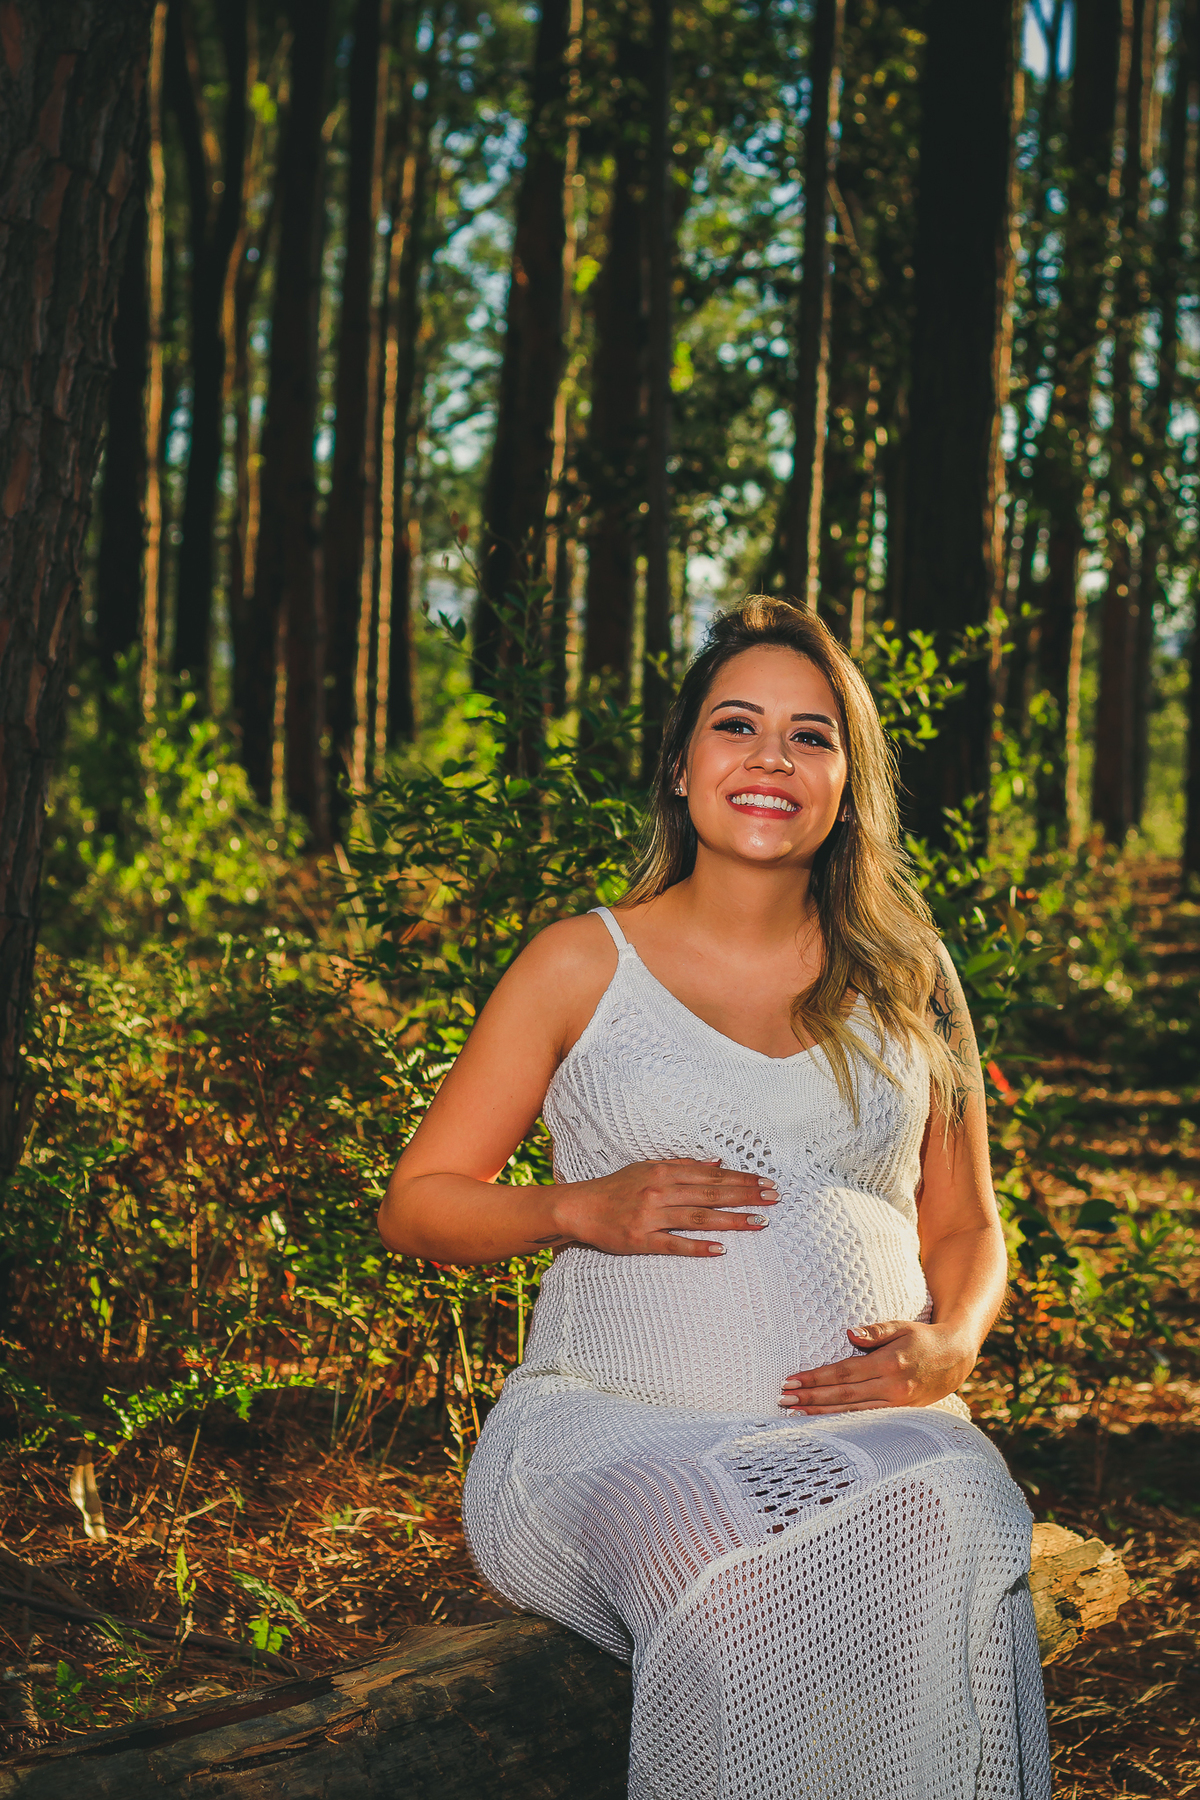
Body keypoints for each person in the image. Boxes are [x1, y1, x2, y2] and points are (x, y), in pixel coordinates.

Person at [378, 596, 1050, 1800]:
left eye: (812, 735)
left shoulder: (909, 975)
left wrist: (950, 1346)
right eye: (739, 725)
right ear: (683, 761)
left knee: (963, 1504)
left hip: (867, 1434)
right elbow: (420, 1204)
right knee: (731, 1557)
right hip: (618, 1425)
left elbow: (965, 1226)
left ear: (848, 780)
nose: (771, 759)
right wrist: (574, 1207)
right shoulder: (580, 962)